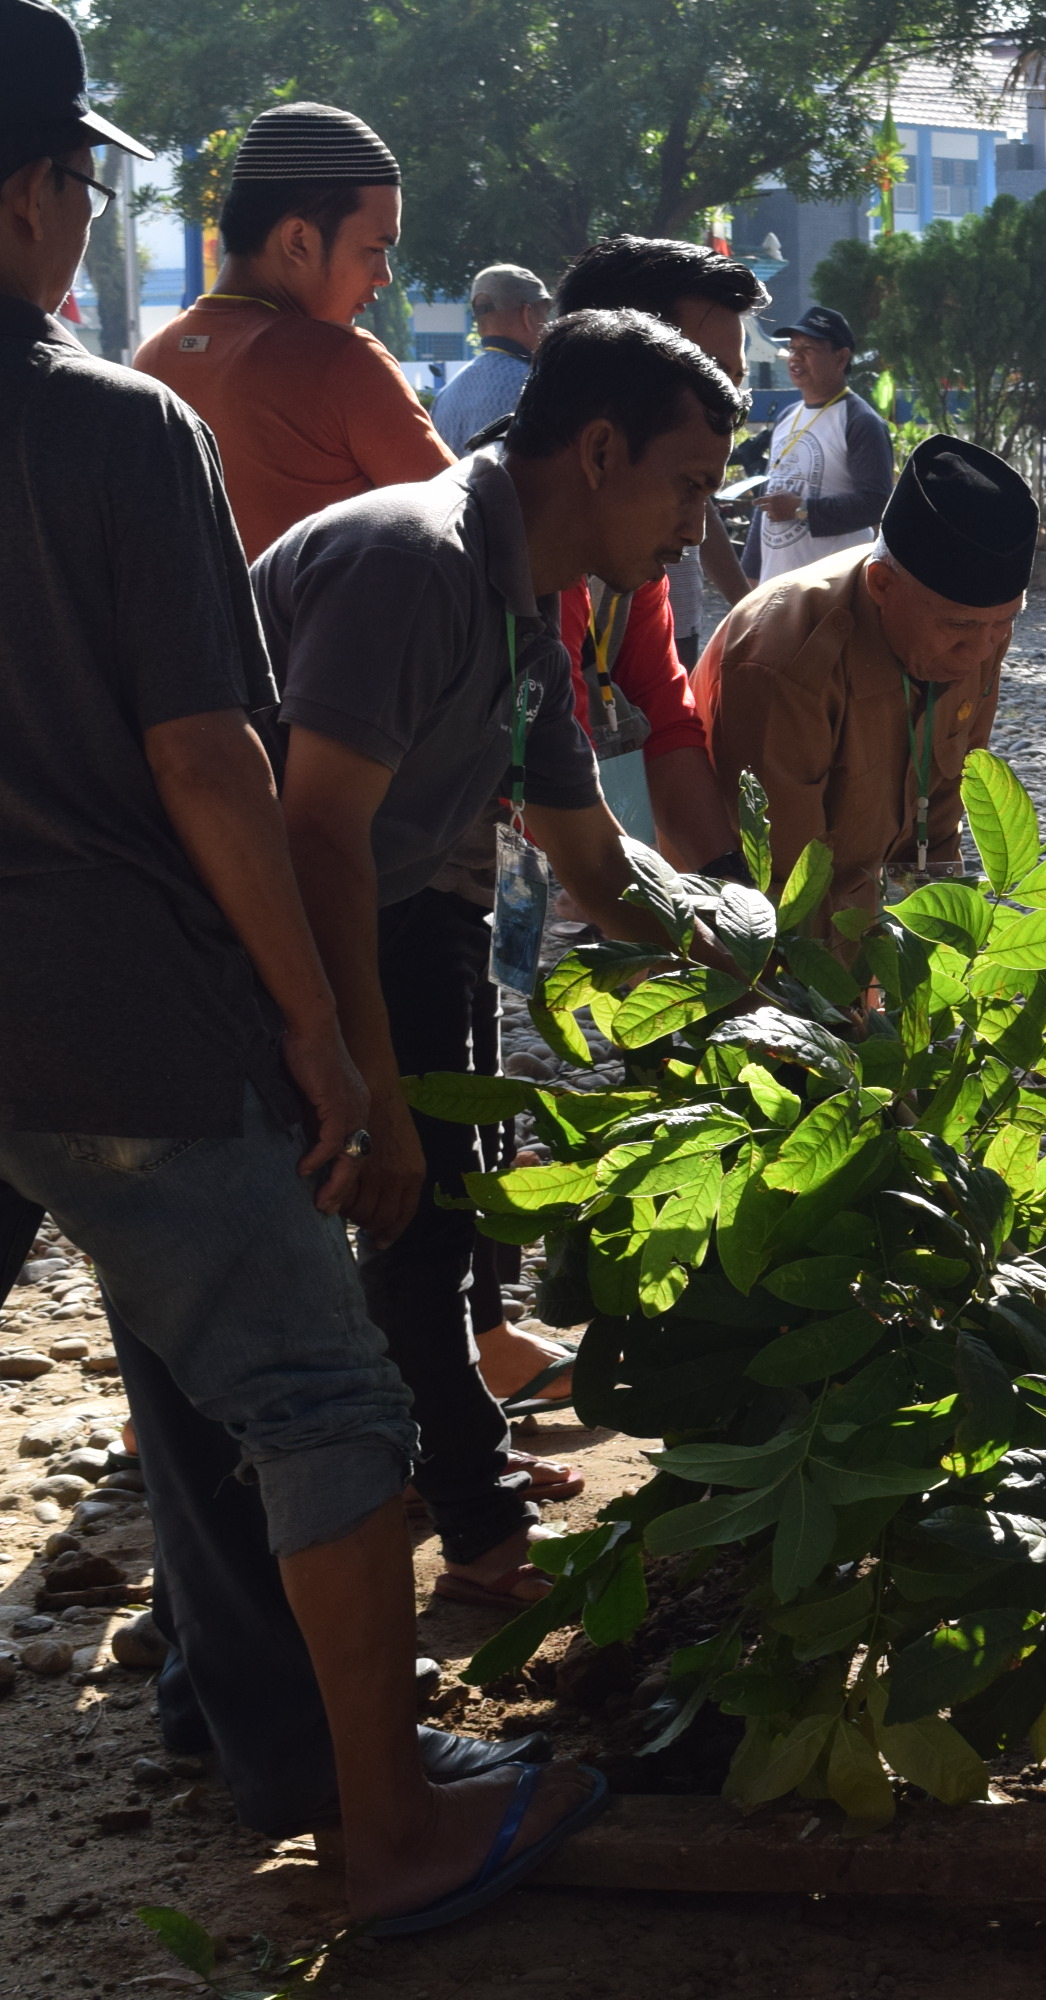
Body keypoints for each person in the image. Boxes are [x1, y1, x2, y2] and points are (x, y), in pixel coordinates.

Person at [0, 5, 602, 1925]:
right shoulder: (111, 426)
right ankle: (390, 1827)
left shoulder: (162, 379)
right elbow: (212, 764)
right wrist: (327, 1037)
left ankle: (243, 1705)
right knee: (320, 1397)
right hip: (115, 1011)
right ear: (34, 200)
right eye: (83, 186)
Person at [261, 310, 740, 1611]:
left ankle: (470, 1514)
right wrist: (367, 1081)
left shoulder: (527, 611)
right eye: (688, 485)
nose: (698, 526)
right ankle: (380, 1564)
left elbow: (589, 862)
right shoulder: (414, 563)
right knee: (360, 1228)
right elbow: (311, 835)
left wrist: (754, 962)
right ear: (597, 450)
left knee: (443, 1215)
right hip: (259, 933)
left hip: (403, 904)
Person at [693, 436, 1038, 931]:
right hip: (744, 929)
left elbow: (942, 814)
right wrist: (840, 1003)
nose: (984, 653)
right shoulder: (785, 661)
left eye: (1005, 623)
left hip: (863, 911)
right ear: (881, 584)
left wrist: (933, 967)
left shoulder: (978, 634)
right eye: (959, 627)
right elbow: (782, 891)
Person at [132, 101, 451, 559]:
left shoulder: (153, 360)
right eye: (374, 249)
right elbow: (471, 530)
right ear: (298, 239)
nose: (384, 276)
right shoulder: (341, 362)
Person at [555, 235, 763, 664]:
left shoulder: (642, 567)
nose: (726, 410)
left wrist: (750, 613)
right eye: (710, 378)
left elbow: (663, 702)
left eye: (735, 384)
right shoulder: (524, 551)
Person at [744, 302, 890, 585]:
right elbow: (771, 495)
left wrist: (802, 510)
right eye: (793, 349)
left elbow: (876, 502)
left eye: (808, 349)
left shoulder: (860, 421)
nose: (795, 358)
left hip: (830, 592)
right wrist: (749, 580)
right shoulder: (787, 416)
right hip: (774, 590)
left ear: (841, 358)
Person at [428, 262, 550, 453]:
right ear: (527, 313)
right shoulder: (537, 387)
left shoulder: (444, 397)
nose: (548, 326)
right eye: (545, 313)